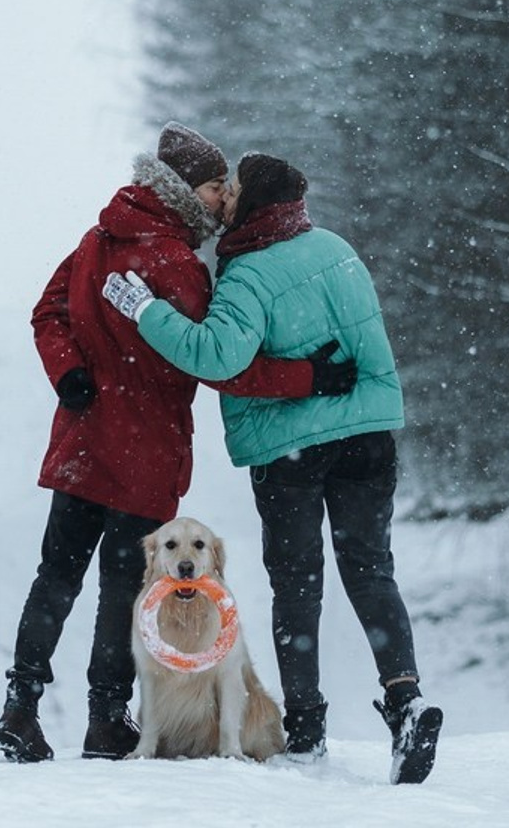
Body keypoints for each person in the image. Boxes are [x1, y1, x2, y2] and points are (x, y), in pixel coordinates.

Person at [0, 125, 356, 765]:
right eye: (215, 188)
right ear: (185, 189)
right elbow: (221, 364)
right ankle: (105, 720)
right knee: (123, 591)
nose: (221, 201)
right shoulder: (177, 265)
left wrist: (70, 374)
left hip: (81, 440)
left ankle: (20, 706)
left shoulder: (95, 240)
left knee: (56, 575)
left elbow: (48, 312)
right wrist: (310, 377)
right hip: (144, 453)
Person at [102, 152, 443, 785]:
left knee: (297, 583)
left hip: (291, 449)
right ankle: (406, 700)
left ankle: (307, 728)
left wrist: (144, 308)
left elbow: (215, 355)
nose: (222, 200)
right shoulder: (338, 249)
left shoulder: (247, 274)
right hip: (368, 436)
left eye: (231, 191)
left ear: (253, 202)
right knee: (370, 571)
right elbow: (371, 346)